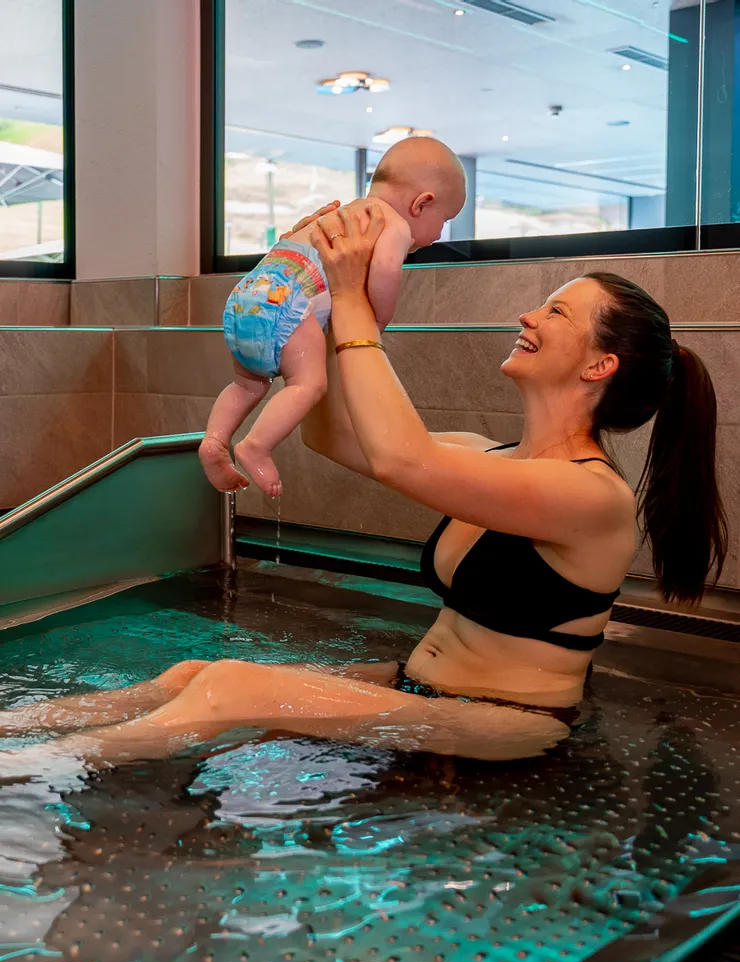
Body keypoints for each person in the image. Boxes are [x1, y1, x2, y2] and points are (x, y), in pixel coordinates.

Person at [0, 205, 727, 776]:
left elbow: (403, 459)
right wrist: (313, 301)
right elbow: (340, 438)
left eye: (557, 312)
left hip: (507, 719)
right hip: (417, 685)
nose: (528, 316)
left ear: (600, 365)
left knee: (230, 692)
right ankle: (11, 730)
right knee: (199, 671)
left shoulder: (590, 497)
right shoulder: (487, 456)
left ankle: (26, 774)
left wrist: (353, 298)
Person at [198, 137, 466, 497]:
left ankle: (215, 440)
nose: (439, 235)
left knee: (247, 385)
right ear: (421, 203)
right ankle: (257, 445)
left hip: (247, 296)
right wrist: (378, 320)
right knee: (307, 385)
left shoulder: (334, 215)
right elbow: (386, 271)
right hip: (288, 305)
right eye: (445, 220)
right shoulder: (392, 224)